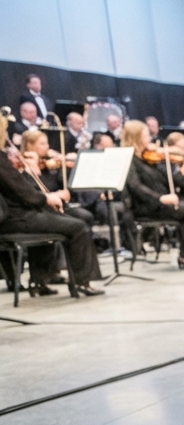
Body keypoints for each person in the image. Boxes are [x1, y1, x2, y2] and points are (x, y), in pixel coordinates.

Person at [0, 115, 103, 296]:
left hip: (18, 215)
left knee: (55, 220)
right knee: (78, 227)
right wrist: (47, 198)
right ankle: (82, 281)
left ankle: (39, 282)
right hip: (15, 219)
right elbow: (23, 192)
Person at [120, 120, 184, 270]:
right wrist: (161, 198)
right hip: (148, 205)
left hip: (163, 201)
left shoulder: (149, 158)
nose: (149, 139)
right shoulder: (130, 160)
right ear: (135, 137)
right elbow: (136, 187)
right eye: (145, 135)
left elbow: (169, 178)